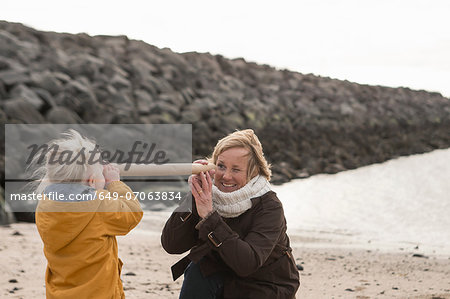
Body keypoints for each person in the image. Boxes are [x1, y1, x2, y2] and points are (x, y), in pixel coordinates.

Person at [161, 129, 300, 299]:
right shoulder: (208, 195)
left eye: (236, 170)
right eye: (221, 166)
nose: (226, 176)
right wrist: (195, 196)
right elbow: (172, 244)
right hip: (221, 279)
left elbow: (246, 264)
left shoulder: (270, 207)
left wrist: (209, 217)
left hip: (264, 286)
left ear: (253, 172)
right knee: (198, 267)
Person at [34, 129, 143, 299]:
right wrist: (114, 184)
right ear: (92, 181)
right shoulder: (99, 204)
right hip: (99, 294)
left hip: (60, 294)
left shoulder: (45, 207)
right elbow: (132, 213)